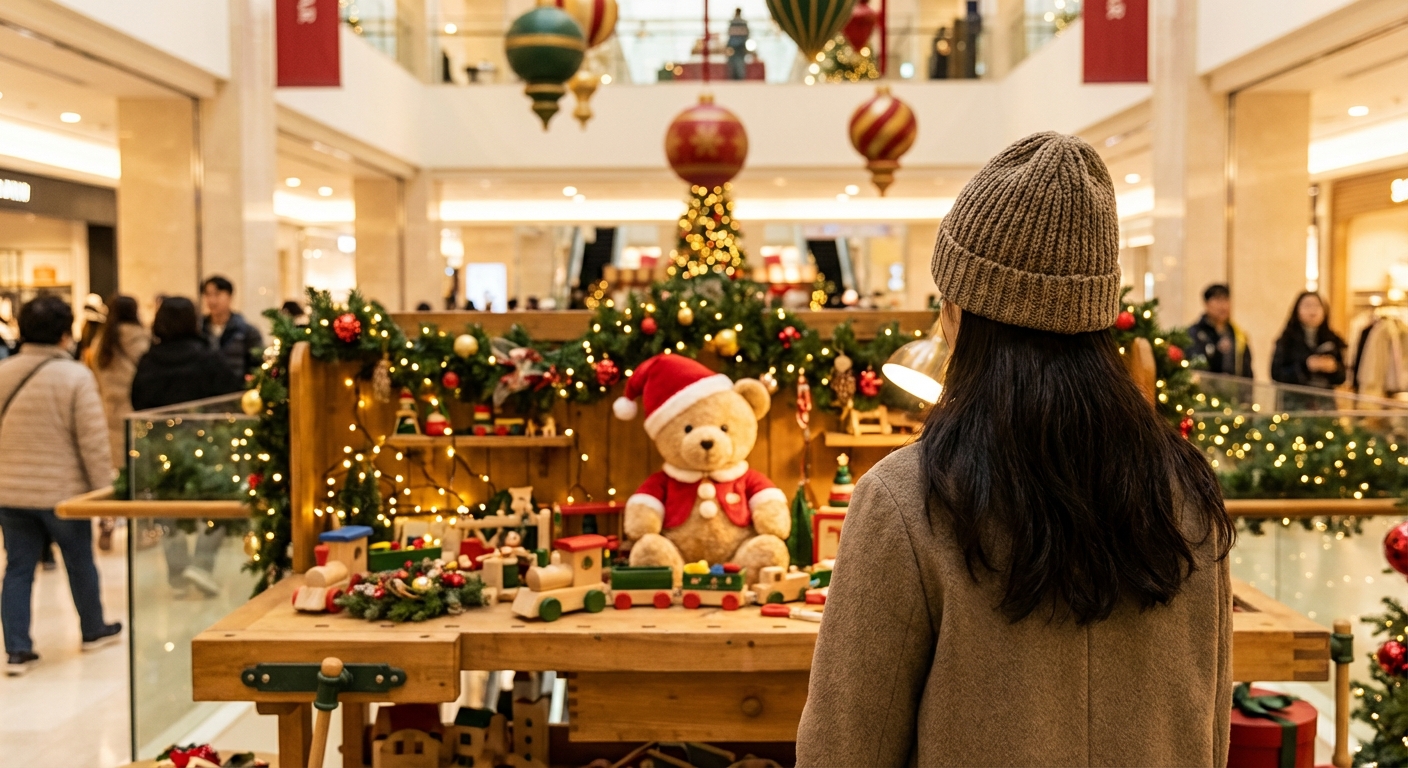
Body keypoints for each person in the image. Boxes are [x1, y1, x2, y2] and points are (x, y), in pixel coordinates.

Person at [796, 133, 1234, 765]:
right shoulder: (1186, 491)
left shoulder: (908, 498)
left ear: (959, 312)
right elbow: (1208, 728)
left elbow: (842, 750)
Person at [0, 295, 122, 676]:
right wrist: (105, 495)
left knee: (18, 568)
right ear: (64, 332)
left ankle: (17, 649)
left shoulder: (4, 372)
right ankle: (93, 628)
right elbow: (93, 442)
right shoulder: (74, 376)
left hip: (11, 491)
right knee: (79, 562)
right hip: (62, 494)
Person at [131, 297, 244, 597]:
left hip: (160, 448)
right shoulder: (206, 357)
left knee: (169, 510)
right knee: (215, 504)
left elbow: (138, 402)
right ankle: (202, 565)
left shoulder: (149, 360)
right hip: (205, 444)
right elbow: (233, 393)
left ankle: (178, 573)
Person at [90, 295, 150, 551]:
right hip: (135, 414)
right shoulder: (140, 338)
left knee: (110, 477)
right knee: (138, 476)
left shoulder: (102, 341)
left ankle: (107, 523)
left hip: (106, 414)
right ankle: (141, 530)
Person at [1272, 291, 1346, 392]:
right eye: (1307, 306)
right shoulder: (1287, 339)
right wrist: (1306, 366)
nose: (1312, 310)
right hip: (1295, 401)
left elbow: (1343, 377)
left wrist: (1333, 368)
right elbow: (1276, 374)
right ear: (1297, 310)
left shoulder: (1333, 339)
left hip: (1325, 402)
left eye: (1317, 306)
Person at [201, 276, 263, 380]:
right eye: (208, 295)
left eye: (217, 294)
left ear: (230, 296)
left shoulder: (247, 332)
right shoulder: (199, 329)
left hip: (236, 391)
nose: (212, 300)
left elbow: (256, 365)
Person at [1186, 284, 1252, 377]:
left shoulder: (1238, 335)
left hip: (1233, 390)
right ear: (1206, 304)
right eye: (1217, 300)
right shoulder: (1193, 333)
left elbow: (1247, 372)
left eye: (1225, 300)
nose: (1223, 306)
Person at [726, 9, 750, 80]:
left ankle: (735, 78)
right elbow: (747, 35)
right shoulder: (743, 23)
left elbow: (729, 34)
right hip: (740, 46)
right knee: (739, 64)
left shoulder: (732, 22)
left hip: (734, 46)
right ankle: (739, 78)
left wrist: (728, 46)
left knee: (734, 64)